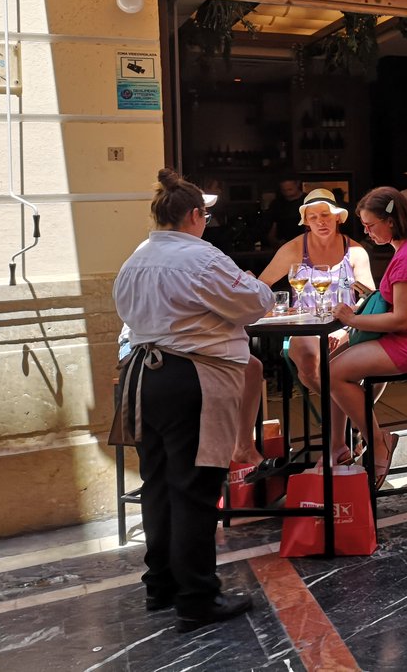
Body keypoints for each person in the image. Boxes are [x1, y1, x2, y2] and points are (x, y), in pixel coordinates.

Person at [113, 169, 273, 632]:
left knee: (159, 484)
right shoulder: (201, 257)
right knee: (196, 489)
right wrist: (246, 279)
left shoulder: (135, 259)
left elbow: (126, 314)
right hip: (192, 377)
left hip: (143, 377)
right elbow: (255, 302)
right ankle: (197, 597)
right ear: (196, 216)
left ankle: (160, 585)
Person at [329, 187, 407, 487]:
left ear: (391, 222)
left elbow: (401, 319)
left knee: (333, 373)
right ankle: (346, 443)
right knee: (335, 362)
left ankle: (377, 440)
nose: (367, 232)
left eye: (371, 226)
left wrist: (352, 320)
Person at [257, 189, 374, 466]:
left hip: (345, 326)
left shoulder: (355, 251)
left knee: (335, 369)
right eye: (313, 217)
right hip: (305, 326)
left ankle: (337, 445)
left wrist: (345, 327)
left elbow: (370, 297)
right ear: (306, 221)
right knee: (310, 365)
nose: (320, 221)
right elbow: (261, 288)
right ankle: (354, 420)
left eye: (326, 215)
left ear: (337, 218)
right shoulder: (295, 248)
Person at [264, 176, 306, 248]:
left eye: (290, 189)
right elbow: (272, 227)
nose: (287, 193)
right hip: (282, 246)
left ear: (297, 184)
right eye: (284, 190)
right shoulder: (276, 204)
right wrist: (275, 242)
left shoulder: (308, 202)